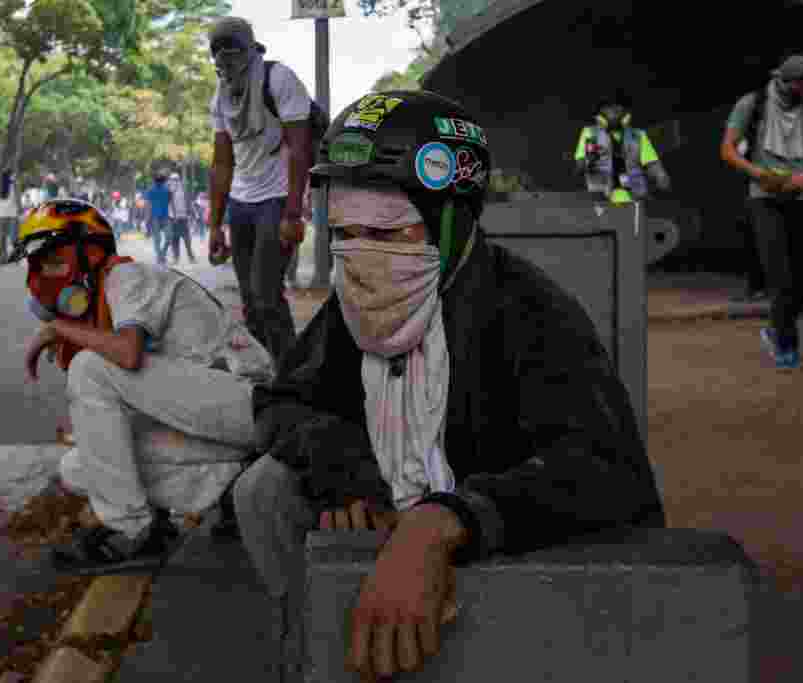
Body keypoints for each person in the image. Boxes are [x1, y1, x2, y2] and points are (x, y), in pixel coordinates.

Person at [231, 91, 666, 680]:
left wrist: (447, 519)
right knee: (264, 489)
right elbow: (282, 402)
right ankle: (313, 649)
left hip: (502, 533)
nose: (363, 256)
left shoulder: (531, 311)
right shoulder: (354, 300)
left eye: (392, 231)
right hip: (385, 507)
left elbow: (609, 470)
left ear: (454, 220)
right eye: (346, 231)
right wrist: (351, 471)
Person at [8, 198, 273, 574]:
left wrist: (57, 328)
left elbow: (128, 354)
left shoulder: (124, 278)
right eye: (39, 266)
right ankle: (236, 484)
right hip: (218, 419)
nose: (45, 277)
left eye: (53, 261)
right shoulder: (104, 300)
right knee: (80, 467)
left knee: (90, 367)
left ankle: (131, 530)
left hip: (250, 400)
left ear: (88, 251)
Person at [206, 17, 315, 369]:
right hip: (241, 201)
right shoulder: (220, 98)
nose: (226, 63)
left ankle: (293, 376)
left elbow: (300, 148)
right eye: (219, 57)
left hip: (279, 197)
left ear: (251, 51)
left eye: (233, 53)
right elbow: (222, 163)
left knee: (266, 295)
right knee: (251, 302)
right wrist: (214, 225)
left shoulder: (278, 79)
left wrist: (294, 214)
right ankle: (263, 370)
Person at [721, 54, 803, 369]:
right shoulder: (752, 104)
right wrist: (759, 174)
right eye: (798, 87)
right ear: (783, 81)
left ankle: (774, 328)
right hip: (764, 197)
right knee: (780, 277)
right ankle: (786, 343)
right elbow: (728, 148)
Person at [574, 96, 672, 204]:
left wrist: (660, 176)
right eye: (609, 109)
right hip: (601, 199)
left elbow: (652, 163)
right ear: (600, 114)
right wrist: (582, 165)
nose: (613, 114)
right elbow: (583, 161)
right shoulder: (591, 133)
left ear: (626, 113)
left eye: (617, 109)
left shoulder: (638, 135)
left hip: (634, 199)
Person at [144, 173, 173, 265]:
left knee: (169, 237)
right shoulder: (151, 190)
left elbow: (170, 202)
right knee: (157, 239)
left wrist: (174, 215)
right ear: (155, 181)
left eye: (161, 181)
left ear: (163, 181)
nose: (159, 182)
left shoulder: (168, 191)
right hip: (154, 218)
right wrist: (147, 219)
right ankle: (160, 256)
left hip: (165, 217)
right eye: (158, 181)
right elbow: (148, 205)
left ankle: (162, 254)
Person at [167, 173, 196, 265]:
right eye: (172, 179)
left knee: (186, 239)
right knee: (175, 239)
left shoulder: (183, 190)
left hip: (182, 218)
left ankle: (191, 257)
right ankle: (176, 258)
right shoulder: (169, 191)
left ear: (178, 180)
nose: (174, 181)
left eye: (175, 179)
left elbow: (188, 202)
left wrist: (192, 214)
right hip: (173, 218)